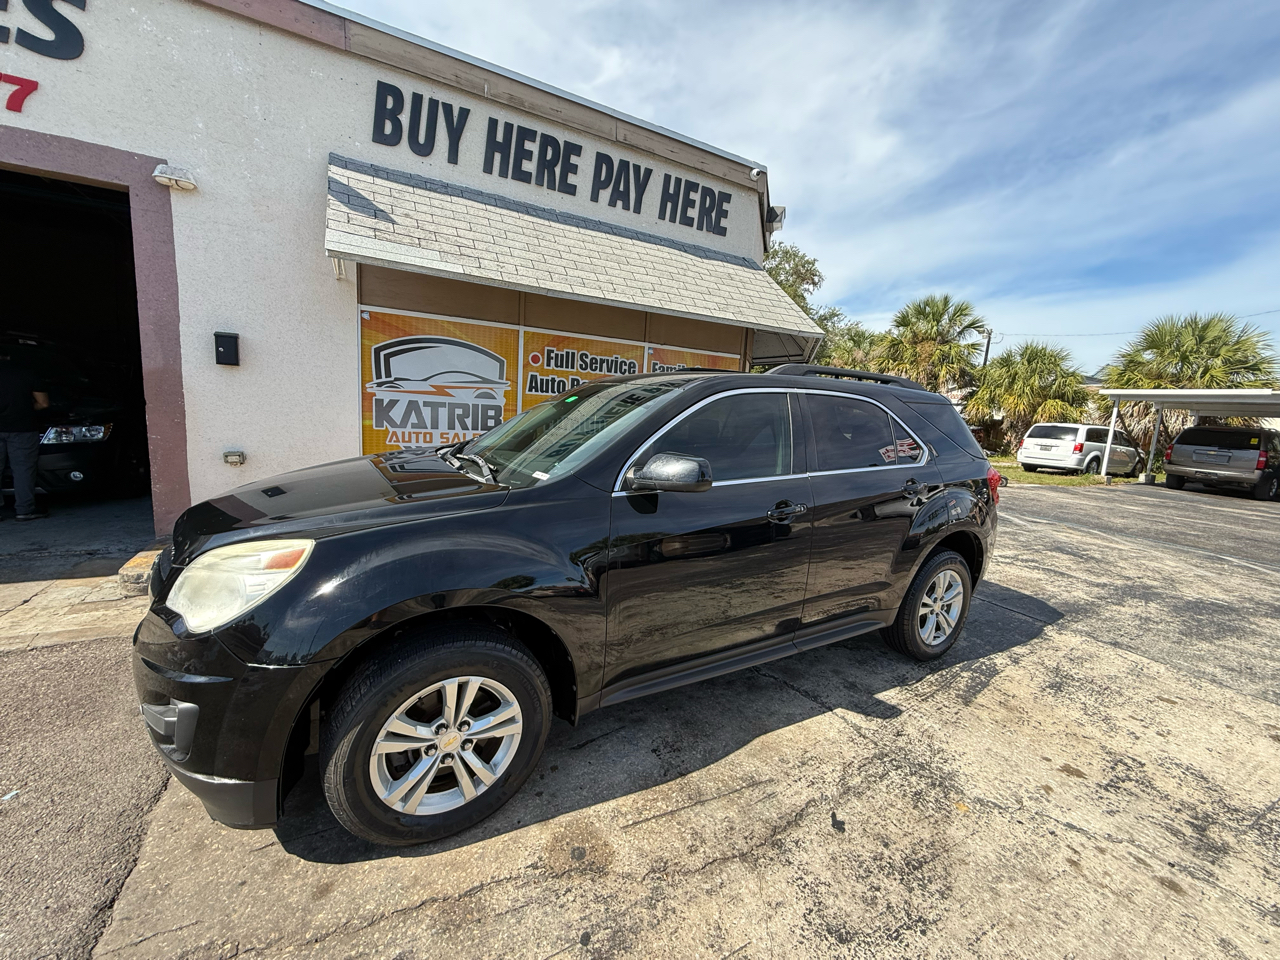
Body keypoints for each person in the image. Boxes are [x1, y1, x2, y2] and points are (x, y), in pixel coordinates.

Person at [0, 349, 49, 521]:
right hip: (23, 428)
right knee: (22, 470)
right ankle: (24, 510)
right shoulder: (26, 373)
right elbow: (43, 403)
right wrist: (25, 409)